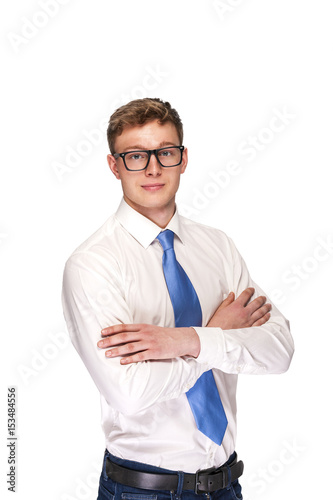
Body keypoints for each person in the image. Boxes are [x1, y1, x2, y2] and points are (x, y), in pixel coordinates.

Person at [61, 97, 294, 500]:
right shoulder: (92, 265)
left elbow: (279, 352)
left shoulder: (218, 247)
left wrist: (184, 340)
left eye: (165, 153)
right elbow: (130, 393)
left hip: (226, 485)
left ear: (183, 159)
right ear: (114, 165)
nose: (153, 168)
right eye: (135, 155)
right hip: (141, 490)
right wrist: (216, 336)